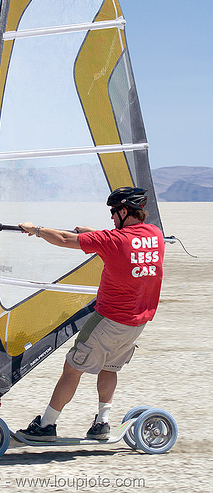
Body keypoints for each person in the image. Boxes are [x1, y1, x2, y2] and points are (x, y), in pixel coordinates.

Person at [17, 187, 165, 441]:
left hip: (108, 320)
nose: (111, 218)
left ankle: (46, 426)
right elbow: (122, 239)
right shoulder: (155, 235)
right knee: (109, 366)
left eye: (113, 212)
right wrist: (93, 234)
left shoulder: (112, 241)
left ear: (125, 211)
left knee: (72, 368)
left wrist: (36, 230)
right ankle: (102, 423)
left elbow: (64, 240)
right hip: (137, 322)